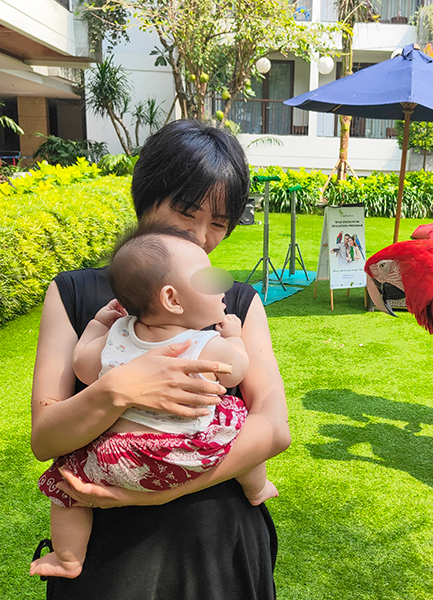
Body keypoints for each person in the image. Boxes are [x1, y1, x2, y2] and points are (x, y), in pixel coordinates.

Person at [30, 120, 290, 599]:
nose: (201, 237)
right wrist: (120, 389)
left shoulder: (234, 300)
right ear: (146, 197)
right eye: (186, 212)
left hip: (218, 538)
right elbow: (46, 439)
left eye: (219, 222)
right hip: (112, 549)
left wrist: (169, 488)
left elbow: (274, 427)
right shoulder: (76, 294)